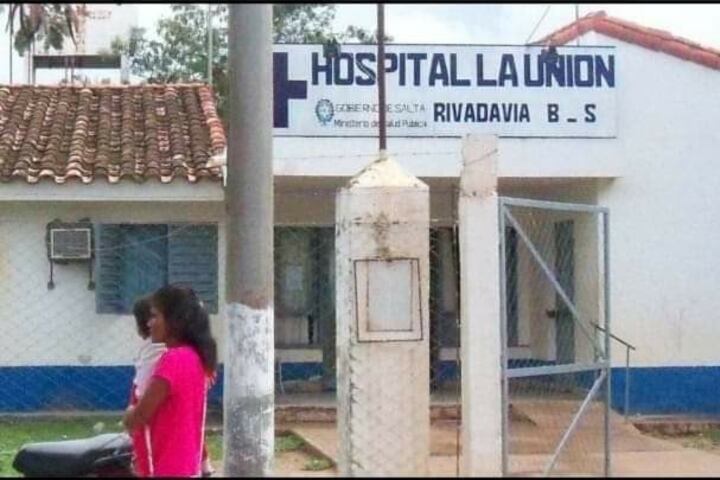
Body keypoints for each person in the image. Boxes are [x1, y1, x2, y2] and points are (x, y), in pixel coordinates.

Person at [124, 285, 218, 477]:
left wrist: (129, 414)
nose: (149, 323)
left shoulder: (172, 360)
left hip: (167, 468)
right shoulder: (195, 357)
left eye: (154, 316)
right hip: (187, 466)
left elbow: (139, 416)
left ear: (175, 321)